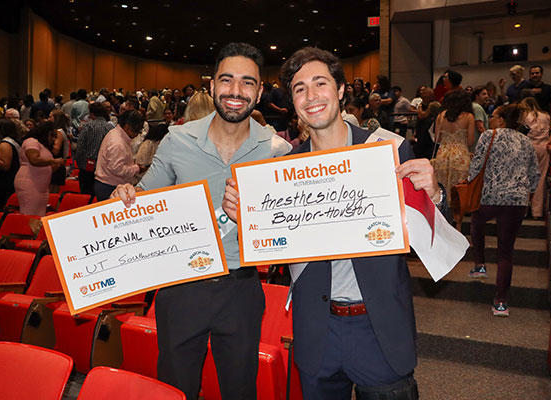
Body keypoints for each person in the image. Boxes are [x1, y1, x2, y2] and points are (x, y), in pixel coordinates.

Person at [224, 46, 442, 400]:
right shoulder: (280, 173)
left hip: (379, 330)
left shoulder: (388, 151)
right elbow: (271, 248)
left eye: (320, 83)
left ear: (340, 90)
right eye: (299, 89)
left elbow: (431, 242)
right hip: (317, 334)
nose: (311, 96)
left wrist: (434, 195)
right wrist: (245, 219)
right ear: (292, 102)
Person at [110, 42, 291, 400]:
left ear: (259, 91)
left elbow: (287, 226)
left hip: (241, 288)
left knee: (240, 389)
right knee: (175, 389)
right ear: (211, 87)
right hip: (180, 288)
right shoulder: (178, 139)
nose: (236, 91)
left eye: (247, 82)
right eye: (227, 80)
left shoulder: (277, 150)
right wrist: (126, 199)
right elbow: (146, 199)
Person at [468, 104, 539, 316]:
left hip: (490, 196)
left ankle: (480, 264)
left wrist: (471, 183)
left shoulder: (489, 136)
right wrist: (528, 192)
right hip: (516, 201)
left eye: (493, 116)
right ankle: (501, 302)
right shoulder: (526, 141)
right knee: (506, 251)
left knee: (476, 222)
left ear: (501, 119)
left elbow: (476, 167)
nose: (491, 119)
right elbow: (534, 173)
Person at [94, 110, 146, 201]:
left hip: (107, 184)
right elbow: (117, 169)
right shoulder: (118, 142)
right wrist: (136, 169)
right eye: (137, 130)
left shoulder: (115, 133)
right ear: (127, 127)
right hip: (110, 186)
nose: (137, 134)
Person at [433, 89, 475, 202]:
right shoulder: (469, 116)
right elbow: (471, 141)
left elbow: (437, 138)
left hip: (443, 154)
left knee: (442, 183)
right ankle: (458, 212)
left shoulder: (440, 116)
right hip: (460, 154)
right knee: (459, 187)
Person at [15, 122, 65, 216]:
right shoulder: (31, 142)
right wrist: (53, 161)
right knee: (29, 213)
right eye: (52, 136)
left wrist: (56, 165)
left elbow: (46, 167)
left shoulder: (43, 146)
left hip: (41, 186)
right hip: (30, 183)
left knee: (39, 214)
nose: (53, 139)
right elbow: (34, 160)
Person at [520, 97, 551, 219]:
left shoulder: (524, 116)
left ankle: (523, 210)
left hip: (528, 147)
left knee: (525, 178)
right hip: (544, 147)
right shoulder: (546, 116)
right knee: (541, 179)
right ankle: (537, 212)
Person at [74, 102, 111, 197]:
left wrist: (79, 163)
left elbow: (80, 147)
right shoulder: (110, 128)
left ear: (92, 114)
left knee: (86, 195)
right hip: (103, 168)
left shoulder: (87, 126)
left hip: (86, 167)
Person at [471, 86, 489, 151]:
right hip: (477, 143)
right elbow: (480, 127)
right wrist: (489, 138)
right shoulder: (477, 108)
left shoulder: (473, 105)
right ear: (477, 96)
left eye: (487, 94)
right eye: (484, 94)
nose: (487, 96)